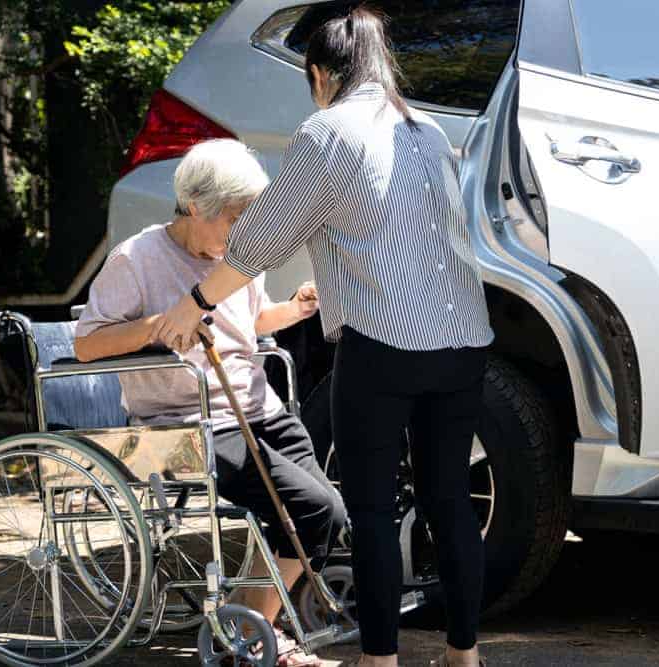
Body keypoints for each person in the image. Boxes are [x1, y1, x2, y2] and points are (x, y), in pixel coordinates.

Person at [152, 6, 494, 666]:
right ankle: (464, 654)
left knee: (369, 510)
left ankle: (379, 660)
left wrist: (196, 300)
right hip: (462, 341)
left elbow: (259, 238)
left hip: (383, 344)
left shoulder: (327, 131)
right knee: (448, 501)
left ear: (319, 74)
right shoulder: (427, 131)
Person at [73, 138, 345, 667]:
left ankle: (250, 615)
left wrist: (293, 309)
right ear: (196, 206)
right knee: (315, 510)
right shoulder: (136, 259)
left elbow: (248, 324)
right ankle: (254, 628)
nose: (242, 232)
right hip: (185, 426)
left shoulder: (238, 255)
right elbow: (87, 344)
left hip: (258, 410)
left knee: (325, 511)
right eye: (233, 219)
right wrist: (161, 325)